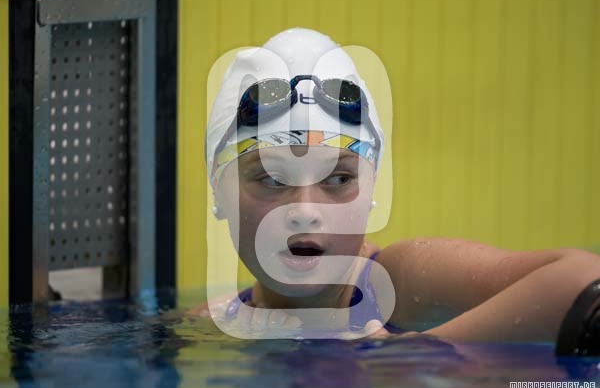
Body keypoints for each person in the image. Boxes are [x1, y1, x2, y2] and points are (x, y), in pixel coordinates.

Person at [191, 28, 600, 344]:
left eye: (338, 179)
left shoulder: (398, 283)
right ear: (218, 189)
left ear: (371, 189)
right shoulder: (212, 324)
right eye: (272, 179)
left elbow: (585, 279)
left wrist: (413, 355)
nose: (305, 209)